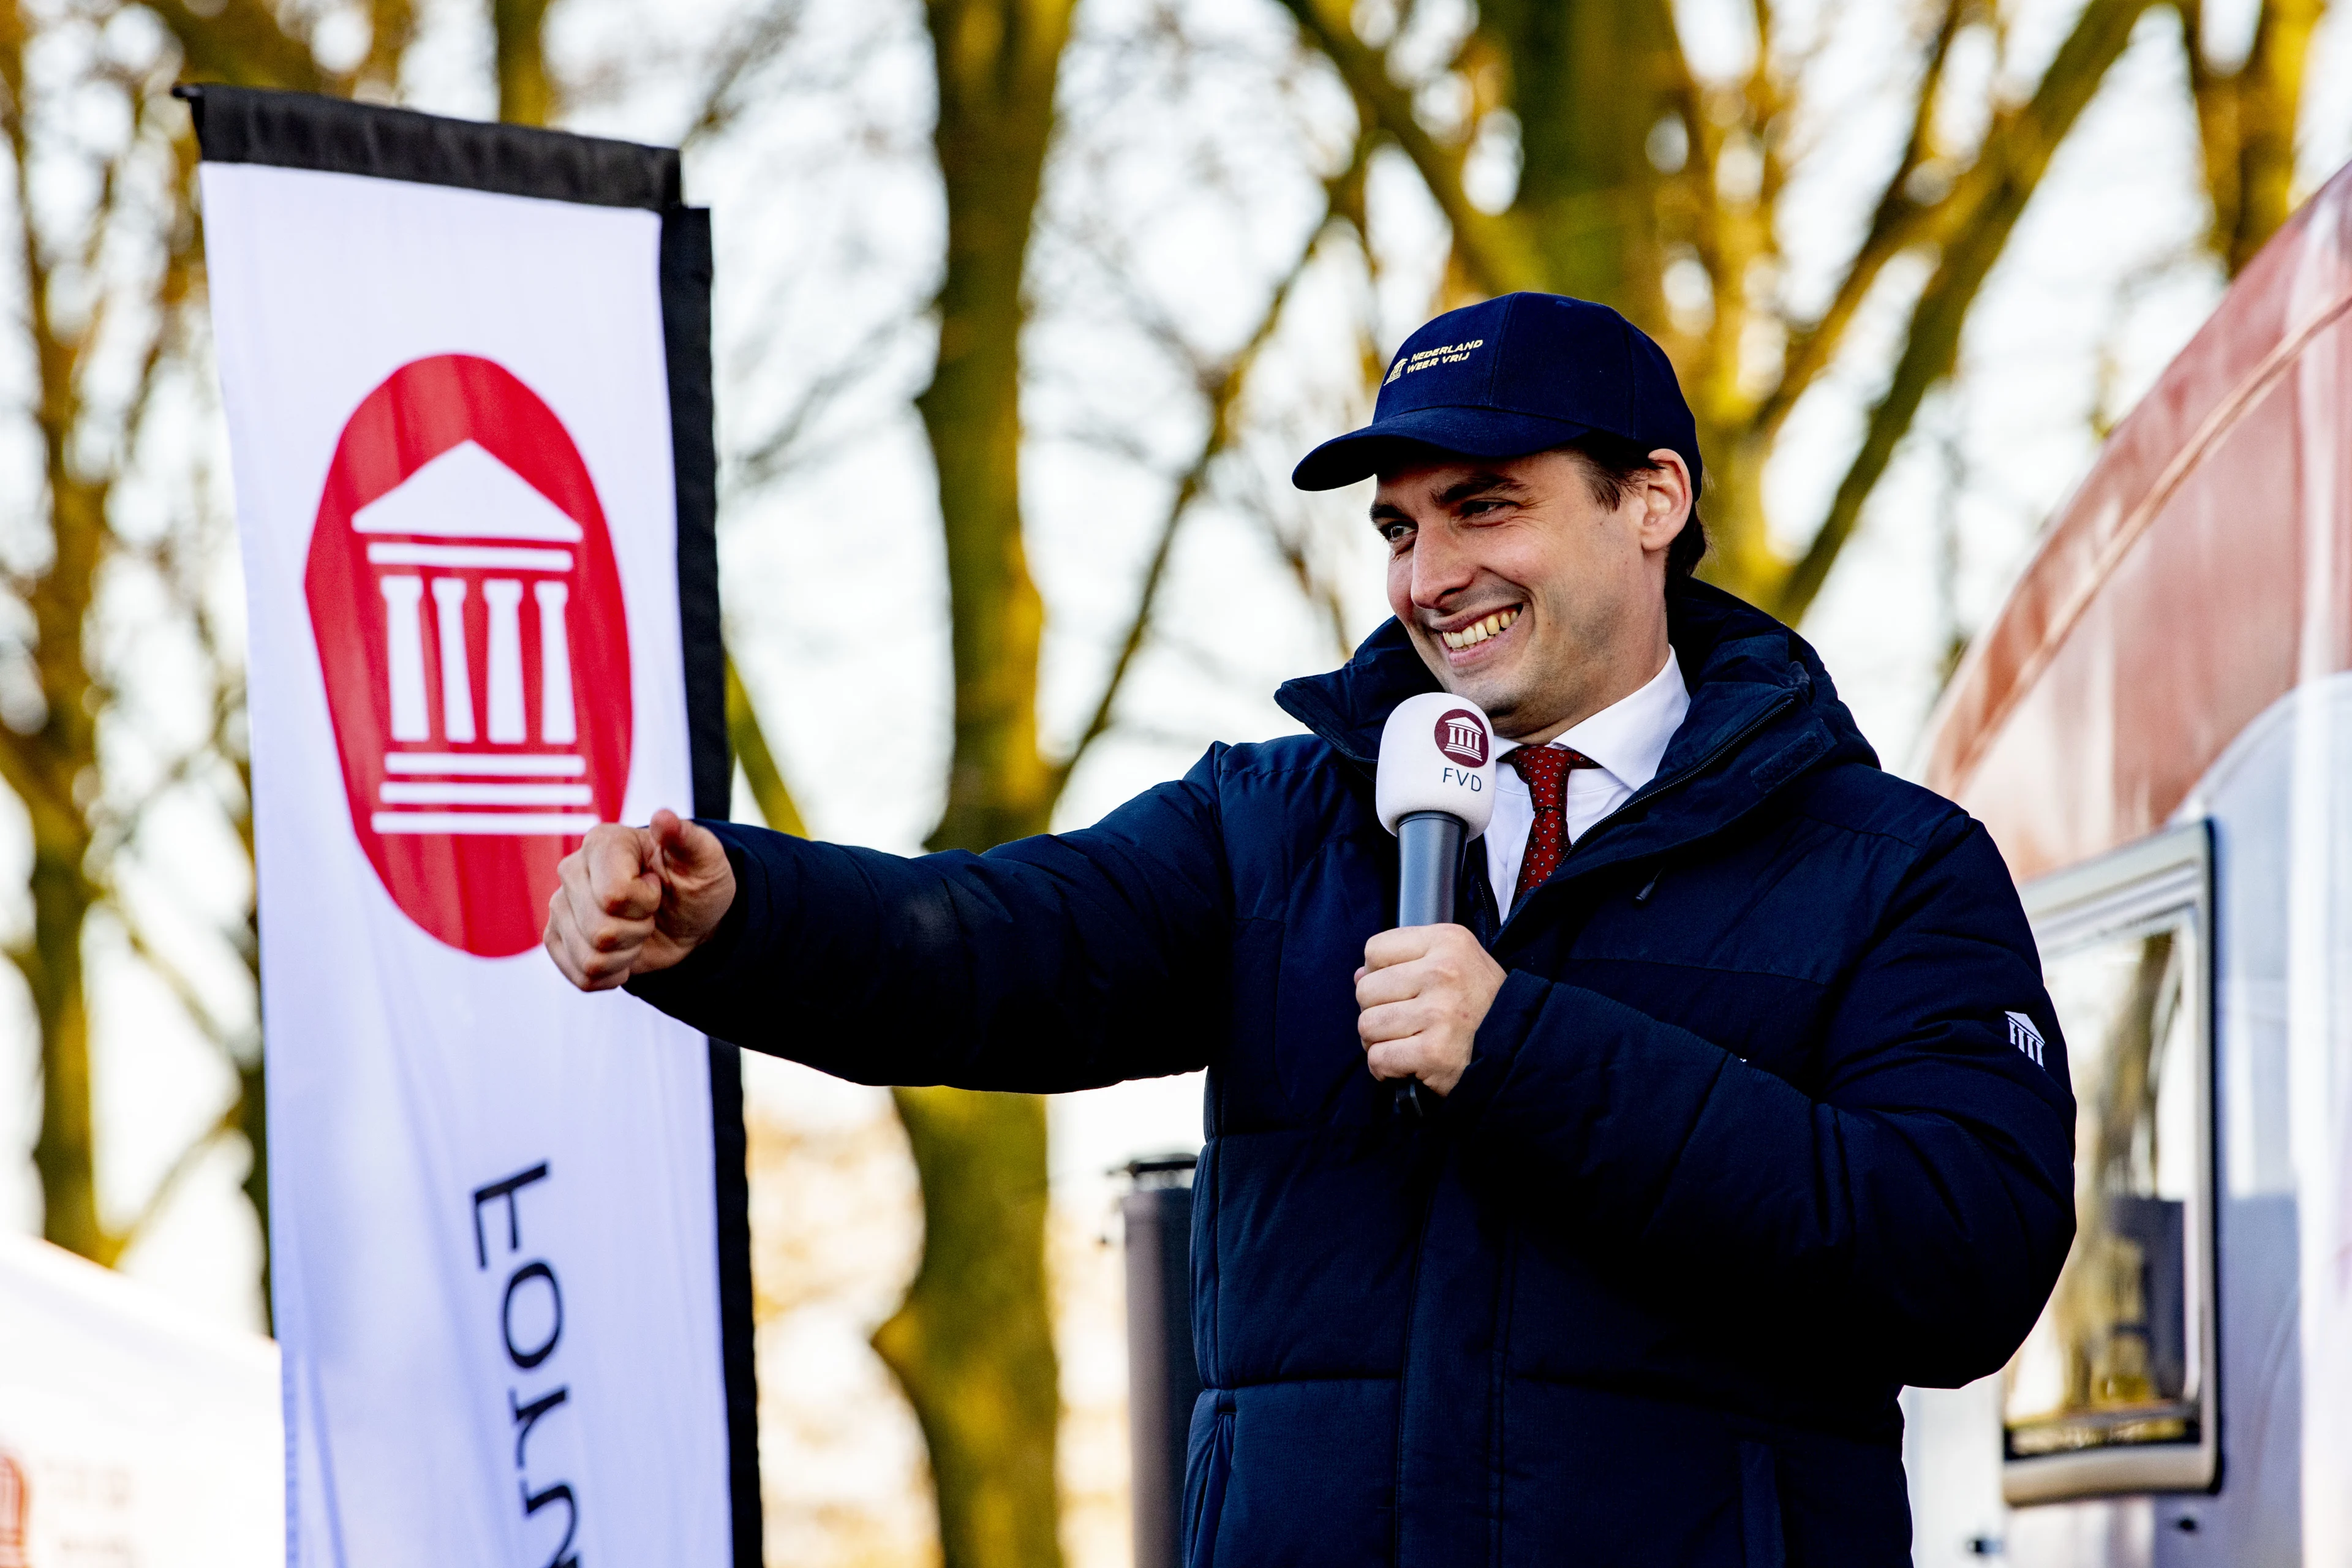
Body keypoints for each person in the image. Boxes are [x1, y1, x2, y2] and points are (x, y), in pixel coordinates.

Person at [545, 292, 2076, 1566]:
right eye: (1401, 527)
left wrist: (1523, 1045)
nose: (1430, 574)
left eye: (1487, 506)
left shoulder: (1891, 865)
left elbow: (1966, 1252)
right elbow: (999, 947)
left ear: (1652, 499)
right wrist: (739, 912)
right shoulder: (1271, 825)